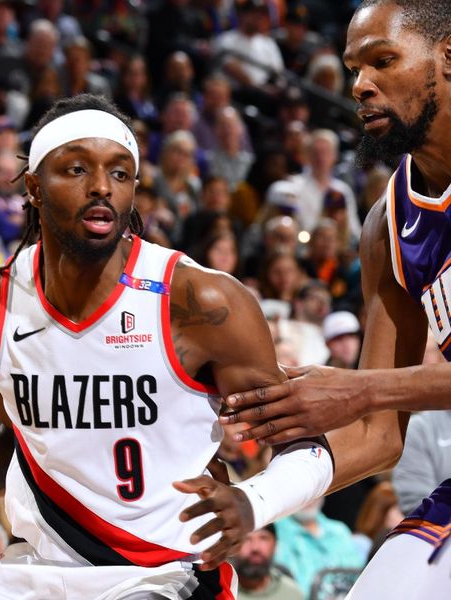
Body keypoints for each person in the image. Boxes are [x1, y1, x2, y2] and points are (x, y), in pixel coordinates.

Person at [0, 95, 346, 599]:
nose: (102, 186)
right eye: (77, 169)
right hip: (28, 573)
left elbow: (308, 448)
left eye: (120, 173)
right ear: (33, 186)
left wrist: (253, 502)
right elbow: (23, 451)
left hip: (159, 575)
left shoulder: (199, 299)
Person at [222, 2, 451, 597]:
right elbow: (378, 435)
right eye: (354, 67)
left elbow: (368, 396)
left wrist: (357, 388)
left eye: (384, 60)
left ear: (448, 57)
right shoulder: (387, 225)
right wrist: (250, 500)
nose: (360, 84)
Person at [233, 525, 303, 600]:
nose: (255, 547)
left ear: (275, 544)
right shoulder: (222, 592)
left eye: (263, 538)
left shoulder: (292, 594)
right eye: (246, 539)